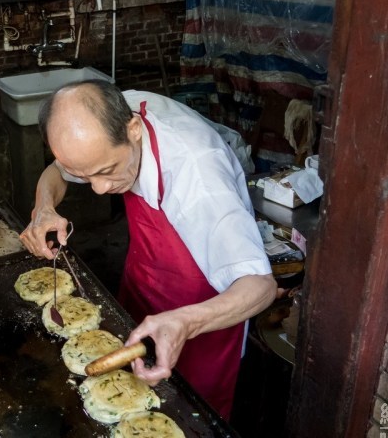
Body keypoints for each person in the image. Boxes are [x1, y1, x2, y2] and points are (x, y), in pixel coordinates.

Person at [20, 80, 276, 418]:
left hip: (203, 316)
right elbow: (59, 171)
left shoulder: (199, 176)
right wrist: (44, 207)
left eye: (107, 171)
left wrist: (185, 323)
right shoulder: (102, 121)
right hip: (144, 282)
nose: (98, 189)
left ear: (134, 130)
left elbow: (260, 285)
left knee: (186, 415)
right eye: (86, 174)